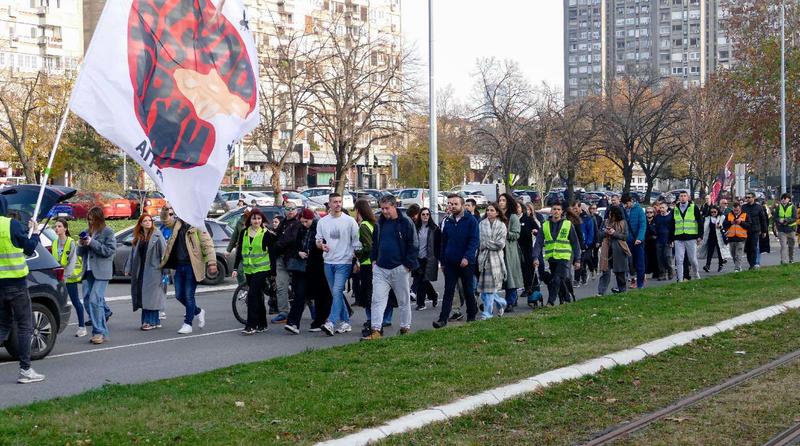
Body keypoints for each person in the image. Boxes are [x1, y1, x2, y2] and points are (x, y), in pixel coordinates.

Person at [361, 195, 418, 340]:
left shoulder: (406, 222)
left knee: (403, 300)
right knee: (377, 299)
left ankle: (405, 327)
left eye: (387, 208)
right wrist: (374, 260)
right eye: (382, 208)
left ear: (394, 206)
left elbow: (413, 244)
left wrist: (407, 264)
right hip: (381, 268)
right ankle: (376, 330)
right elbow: (375, 243)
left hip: (399, 267)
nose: (384, 211)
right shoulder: (380, 223)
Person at [0, 196, 45, 383]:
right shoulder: (12, 224)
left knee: (2, 325)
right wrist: (34, 232)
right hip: (16, 285)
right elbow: (28, 248)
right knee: (25, 326)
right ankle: (25, 370)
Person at [160, 213, 217, 334]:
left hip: (192, 266)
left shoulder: (198, 225)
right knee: (179, 295)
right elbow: (165, 220)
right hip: (179, 265)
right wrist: (165, 209)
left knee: (188, 295)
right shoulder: (177, 223)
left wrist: (212, 262)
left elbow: (207, 244)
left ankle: (188, 323)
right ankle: (198, 311)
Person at [315, 193, 361, 336]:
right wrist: (321, 246)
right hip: (328, 262)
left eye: (340, 202)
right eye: (334, 202)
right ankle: (346, 322)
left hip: (344, 261)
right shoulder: (323, 222)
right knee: (336, 294)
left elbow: (357, 242)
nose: (337, 204)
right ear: (329, 204)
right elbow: (318, 240)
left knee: (336, 291)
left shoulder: (349, 221)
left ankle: (331, 322)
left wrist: (357, 259)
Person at [434, 194, 480, 328]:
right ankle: (443, 319)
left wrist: (467, 257)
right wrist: (442, 261)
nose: (452, 206)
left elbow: (474, 241)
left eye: (455, 204)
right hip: (450, 262)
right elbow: (444, 243)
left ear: (462, 205)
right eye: (450, 204)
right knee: (448, 291)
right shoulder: (448, 222)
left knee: (467, 290)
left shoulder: (471, 221)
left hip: (466, 263)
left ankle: (471, 315)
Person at [77, 207, 116, 345]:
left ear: (99, 218)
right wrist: (82, 244)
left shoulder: (108, 231)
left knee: (94, 300)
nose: (90, 221)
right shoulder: (89, 232)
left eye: (92, 219)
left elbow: (110, 251)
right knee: (91, 301)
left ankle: (98, 332)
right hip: (88, 271)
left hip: (102, 272)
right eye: (89, 219)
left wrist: (92, 242)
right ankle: (101, 332)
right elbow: (80, 253)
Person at [352, 200, 391, 336]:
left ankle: (371, 320)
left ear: (359, 211)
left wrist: (358, 255)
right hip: (377, 262)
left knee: (369, 294)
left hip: (367, 263)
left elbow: (367, 246)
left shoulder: (363, 226)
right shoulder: (374, 223)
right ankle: (382, 319)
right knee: (379, 293)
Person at [532, 202, 581, 306]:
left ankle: (551, 302)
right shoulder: (545, 225)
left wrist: (577, 259)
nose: (556, 211)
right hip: (552, 258)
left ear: (562, 212)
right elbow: (539, 243)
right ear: (551, 211)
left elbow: (575, 243)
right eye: (554, 209)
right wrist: (535, 257)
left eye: (558, 209)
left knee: (557, 279)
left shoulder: (568, 224)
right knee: (560, 281)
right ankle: (566, 298)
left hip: (564, 257)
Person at [124, 214, 167, 330]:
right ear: (141, 224)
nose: (148, 222)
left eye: (150, 220)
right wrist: (128, 269)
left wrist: (166, 271)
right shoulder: (139, 237)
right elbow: (132, 255)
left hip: (154, 271)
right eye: (145, 221)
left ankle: (148, 322)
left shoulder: (158, 235)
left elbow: (164, 254)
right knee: (144, 296)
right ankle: (155, 321)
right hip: (141, 270)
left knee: (151, 297)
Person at [232, 208, 271, 335]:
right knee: (258, 297)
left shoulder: (266, 233)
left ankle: (251, 325)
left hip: (262, 269)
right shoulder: (244, 232)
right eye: (254, 218)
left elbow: (272, 253)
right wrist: (235, 268)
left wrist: (273, 272)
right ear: (250, 220)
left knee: (252, 295)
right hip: (249, 269)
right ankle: (262, 324)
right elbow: (239, 252)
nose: (256, 221)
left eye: (259, 218)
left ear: (262, 220)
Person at [284, 208, 318, 334]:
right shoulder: (300, 229)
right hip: (300, 267)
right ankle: (294, 322)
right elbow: (294, 246)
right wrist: (299, 253)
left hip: (313, 267)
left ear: (311, 219)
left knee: (305, 295)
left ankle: (295, 322)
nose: (304, 224)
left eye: (306, 222)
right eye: (302, 221)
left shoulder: (318, 229)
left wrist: (311, 252)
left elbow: (320, 245)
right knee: (300, 295)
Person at [52, 218, 86, 337]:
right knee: (59, 302)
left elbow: (72, 261)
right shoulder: (55, 242)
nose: (57, 228)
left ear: (65, 229)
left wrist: (66, 276)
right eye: (55, 226)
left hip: (69, 277)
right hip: (59, 278)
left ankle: (82, 327)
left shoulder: (70, 242)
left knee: (75, 301)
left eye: (59, 226)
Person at [272, 203, 302, 324]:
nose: (290, 211)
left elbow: (290, 239)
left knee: (300, 287)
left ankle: (315, 311)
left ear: (296, 210)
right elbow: (277, 237)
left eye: (292, 209)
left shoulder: (298, 224)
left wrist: (277, 245)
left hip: (294, 259)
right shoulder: (283, 222)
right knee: (280, 286)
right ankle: (283, 312)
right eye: (287, 209)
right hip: (281, 259)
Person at [477, 203, 508, 319]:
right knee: (484, 290)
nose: (489, 212)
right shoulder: (481, 224)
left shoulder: (501, 226)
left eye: (492, 210)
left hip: (496, 260)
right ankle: (501, 302)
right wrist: (488, 243)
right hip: (483, 260)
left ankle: (487, 313)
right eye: (487, 210)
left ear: (497, 212)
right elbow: (480, 242)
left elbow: (500, 244)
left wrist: (486, 243)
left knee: (489, 290)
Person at [597, 206, 630, 295]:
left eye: (613, 214)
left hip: (619, 250)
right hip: (607, 250)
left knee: (620, 272)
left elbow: (625, 237)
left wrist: (614, 233)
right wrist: (605, 233)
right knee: (605, 272)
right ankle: (601, 292)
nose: (611, 216)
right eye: (610, 213)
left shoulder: (623, 223)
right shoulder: (605, 222)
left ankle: (622, 290)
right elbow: (599, 234)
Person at [498, 193, 524, 310]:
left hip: (509, 251)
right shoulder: (496, 216)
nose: (501, 202)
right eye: (500, 200)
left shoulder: (513, 217)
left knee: (510, 277)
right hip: (497, 250)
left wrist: (506, 234)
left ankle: (510, 301)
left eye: (503, 200)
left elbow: (516, 234)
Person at [413, 207, 440, 311]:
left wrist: (437, 258)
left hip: (428, 258)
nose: (425, 216)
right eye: (423, 214)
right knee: (421, 280)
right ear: (420, 215)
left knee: (422, 281)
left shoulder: (434, 229)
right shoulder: (416, 228)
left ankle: (421, 303)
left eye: (427, 214)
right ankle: (433, 295)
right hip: (417, 258)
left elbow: (437, 245)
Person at [672, 191, 703, 282]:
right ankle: (680, 279)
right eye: (681, 196)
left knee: (692, 259)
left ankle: (696, 273)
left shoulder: (693, 208)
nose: (682, 198)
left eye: (684, 196)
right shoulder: (675, 209)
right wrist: (672, 238)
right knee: (679, 259)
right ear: (679, 198)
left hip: (691, 237)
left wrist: (699, 236)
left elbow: (700, 222)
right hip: (678, 237)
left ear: (688, 197)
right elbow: (672, 224)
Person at [621, 194, 646, 288]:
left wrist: (639, 238)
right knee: (628, 263)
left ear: (631, 201)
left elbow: (642, 225)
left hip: (637, 241)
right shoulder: (623, 210)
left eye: (626, 203)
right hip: (626, 240)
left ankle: (640, 284)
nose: (625, 205)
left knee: (639, 263)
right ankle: (629, 282)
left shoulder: (639, 210)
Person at [741, 192, 768, 270]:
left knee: (753, 246)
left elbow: (763, 220)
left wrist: (764, 231)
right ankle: (750, 263)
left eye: (749, 197)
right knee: (748, 248)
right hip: (746, 230)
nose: (747, 199)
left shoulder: (759, 207)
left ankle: (753, 264)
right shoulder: (744, 207)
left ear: (753, 198)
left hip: (755, 230)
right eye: (746, 197)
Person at [700, 206, 730, 273]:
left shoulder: (722, 218)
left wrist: (720, 226)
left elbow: (726, 225)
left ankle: (720, 264)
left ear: (717, 211)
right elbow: (704, 227)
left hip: (719, 237)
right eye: (711, 212)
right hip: (710, 237)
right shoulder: (707, 218)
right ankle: (707, 266)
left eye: (714, 212)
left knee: (720, 252)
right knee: (710, 252)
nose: (713, 213)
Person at [723, 202, 750, 272]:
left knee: (738, 254)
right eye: (734, 210)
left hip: (741, 238)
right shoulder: (729, 215)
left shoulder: (745, 215)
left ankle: (737, 268)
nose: (736, 211)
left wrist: (741, 222)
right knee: (733, 254)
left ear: (740, 209)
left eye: (737, 210)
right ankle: (738, 266)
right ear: (733, 209)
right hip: (731, 238)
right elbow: (724, 224)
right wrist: (730, 223)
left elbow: (749, 225)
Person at [575, 201, 596, 286]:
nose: (575, 210)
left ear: (581, 208)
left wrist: (589, 243)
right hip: (576, 243)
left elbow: (591, 232)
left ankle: (580, 278)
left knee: (583, 259)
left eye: (576, 208)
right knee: (578, 261)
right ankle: (583, 275)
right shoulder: (572, 218)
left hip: (586, 243)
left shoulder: (588, 218)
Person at [773, 193, 796, 265]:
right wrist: (779, 220)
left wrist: (787, 220)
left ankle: (791, 259)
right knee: (783, 246)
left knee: (791, 246)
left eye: (785, 198)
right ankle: (783, 261)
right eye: (782, 198)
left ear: (789, 199)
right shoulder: (778, 207)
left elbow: (794, 218)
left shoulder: (792, 207)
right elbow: (775, 217)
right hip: (782, 230)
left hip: (791, 230)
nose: (783, 200)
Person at [519, 201, 536, 296]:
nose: (516, 209)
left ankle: (529, 287)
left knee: (527, 268)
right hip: (515, 248)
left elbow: (537, 229)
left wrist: (535, 231)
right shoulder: (511, 219)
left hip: (526, 247)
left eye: (518, 207)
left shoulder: (528, 219)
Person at [654, 203, 674, 280]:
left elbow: (673, 229)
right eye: (660, 207)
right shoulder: (657, 217)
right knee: (660, 257)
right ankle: (662, 273)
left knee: (667, 257)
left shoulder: (670, 217)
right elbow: (655, 226)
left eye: (663, 207)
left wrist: (672, 240)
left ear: (666, 208)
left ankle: (670, 271)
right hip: (659, 240)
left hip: (668, 240)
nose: (661, 209)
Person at [644, 207, 660, 280]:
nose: (649, 214)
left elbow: (658, 230)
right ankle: (645, 273)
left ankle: (656, 273)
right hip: (646, 241)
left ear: (653, 213)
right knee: (646, 257)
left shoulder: (656, 220)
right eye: (647, 212)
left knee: (655, 257)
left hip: (654, 241)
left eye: (651, 212)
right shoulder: (644, 220)